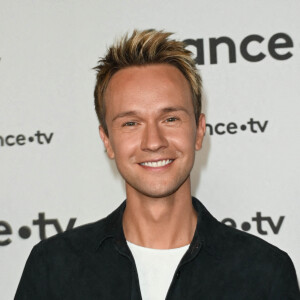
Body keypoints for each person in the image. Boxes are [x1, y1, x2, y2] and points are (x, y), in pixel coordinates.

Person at [15, 29, 300, 300]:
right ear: (107, 140)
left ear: (199, 131)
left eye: (170, 119)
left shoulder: (265, 272)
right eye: (131, 123)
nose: (153, 141)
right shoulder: (54, 267)